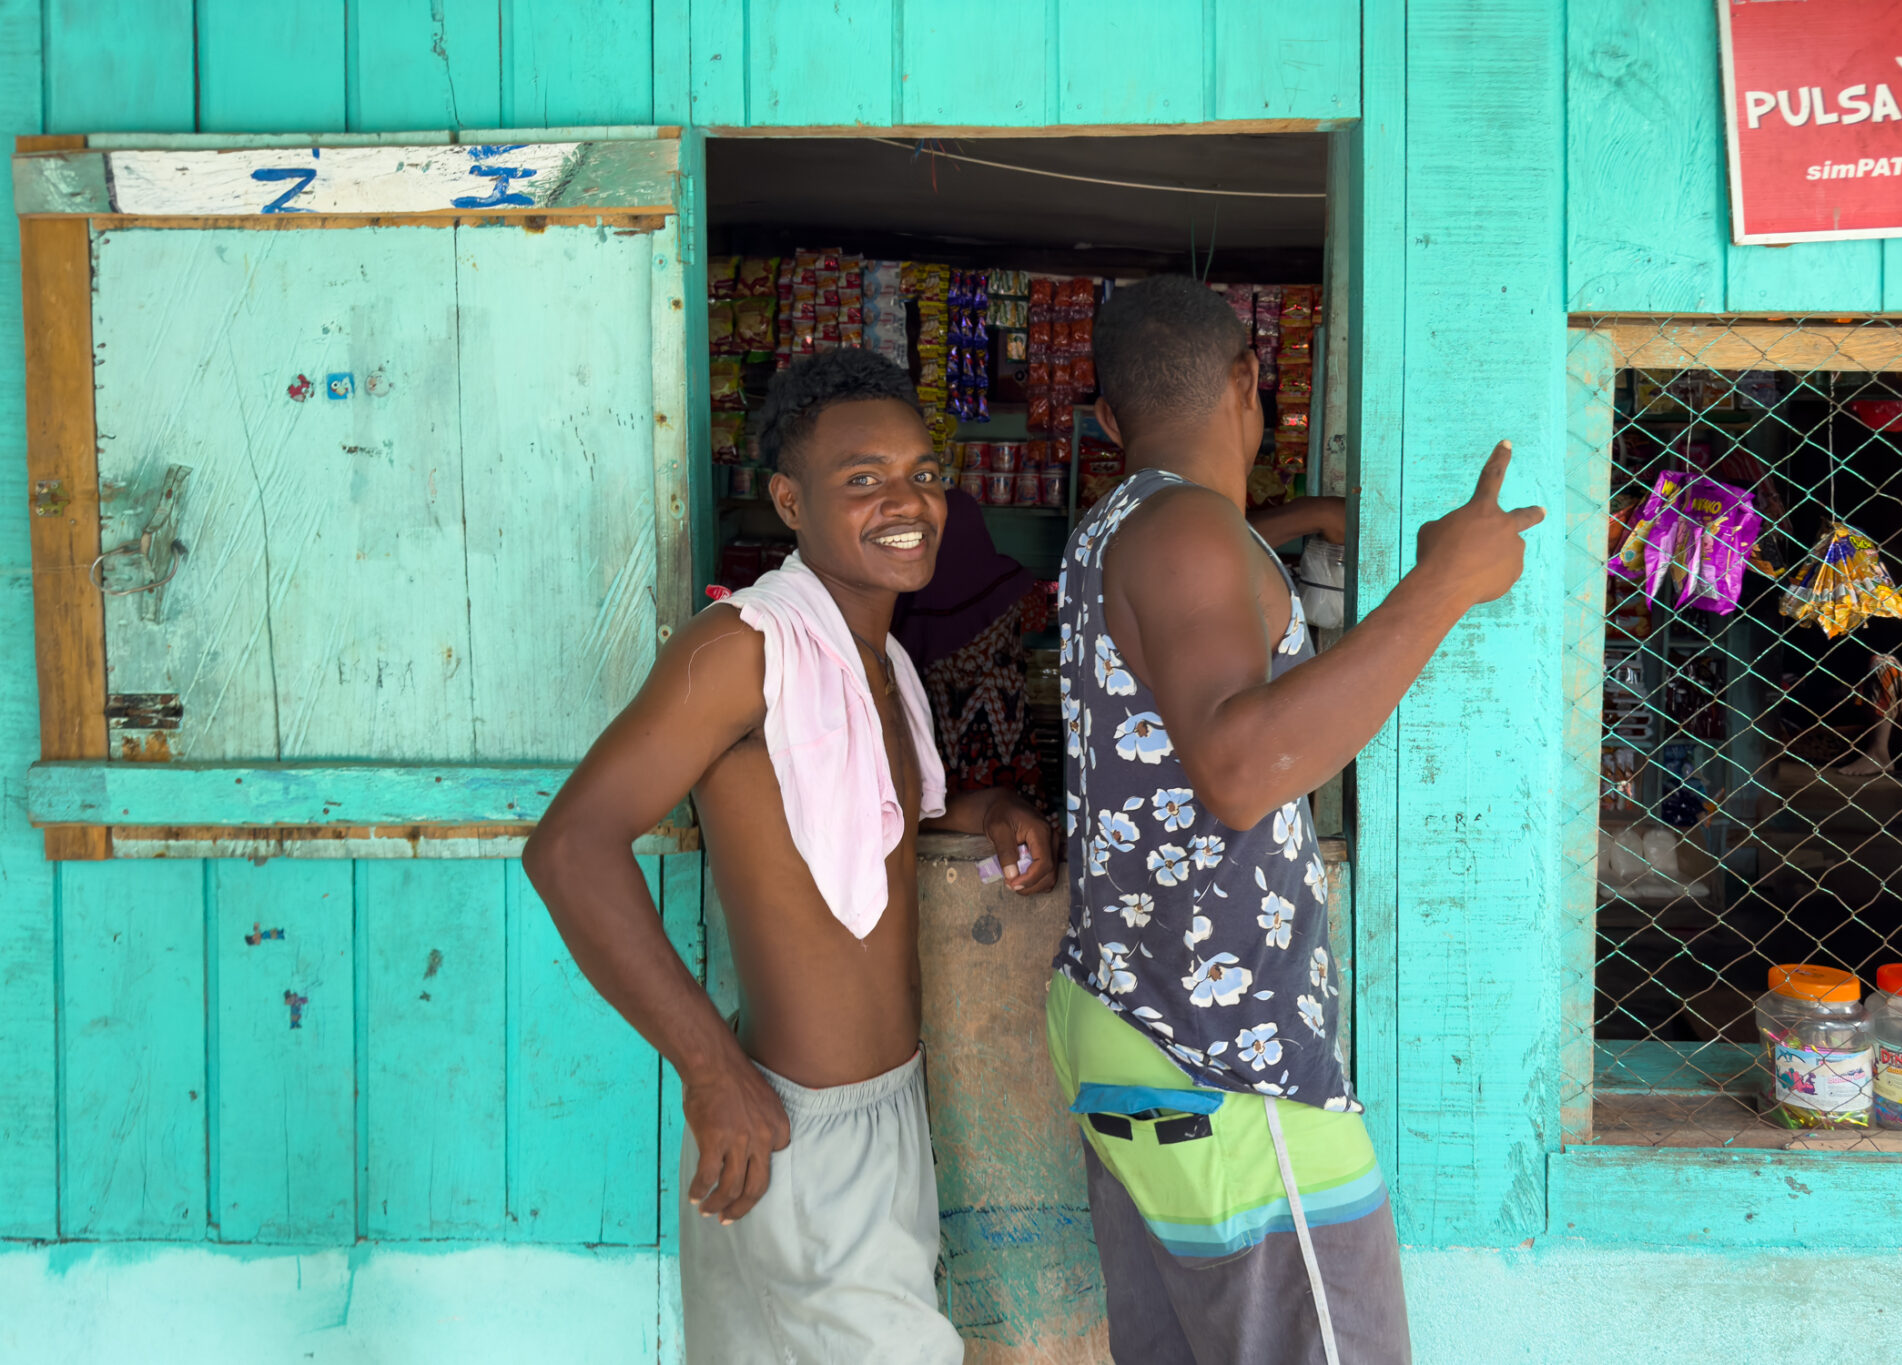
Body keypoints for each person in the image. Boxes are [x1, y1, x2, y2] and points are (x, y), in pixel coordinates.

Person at [524, 348, 1057, 1365]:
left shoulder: (877, 660)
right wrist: (710, 1070)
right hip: (794, 1125)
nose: (907, 501)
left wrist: (982, 808)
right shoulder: (745, 646)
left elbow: (851, 823)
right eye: (863, 478)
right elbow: (570, 847)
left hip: (878, 1113)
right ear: (788, 501)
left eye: (922, 473)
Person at [1047, 276, 1542, 1365]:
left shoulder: (1114, 529)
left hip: (1134, 1022)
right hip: (1221, 1050)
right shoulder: (1186, 527)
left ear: (1108, 419)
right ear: (1249, 381)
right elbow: (1238, 769)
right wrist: (1443, 584)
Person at [893, 487, 1047, 810]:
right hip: (1008, 725)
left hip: (945, 738)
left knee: (953, 814)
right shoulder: (1011, 581)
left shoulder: (913, 602)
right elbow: (1038, 621)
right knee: (1016, 813)